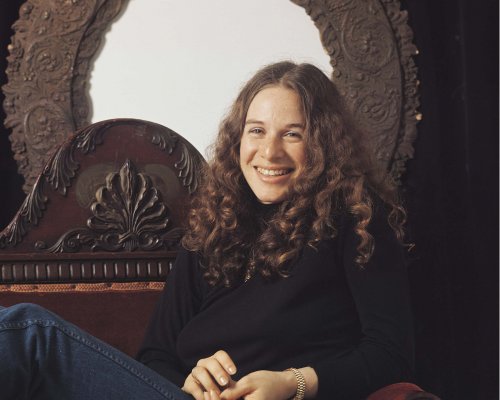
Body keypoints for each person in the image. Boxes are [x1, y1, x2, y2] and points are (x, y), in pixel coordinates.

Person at [0, 61, 413, 400]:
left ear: (324, 144)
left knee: (32, 334)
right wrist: (190, 380)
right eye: (256, 130)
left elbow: (390, 353)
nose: (269, 152)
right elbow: (155, 356)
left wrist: (293, 382)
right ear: (238, 139)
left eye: (293, 134)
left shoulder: (358, 219)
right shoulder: (216, 222)